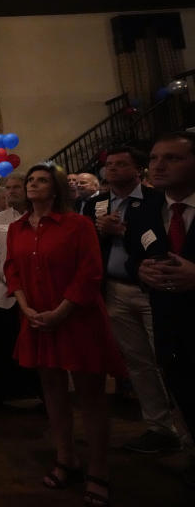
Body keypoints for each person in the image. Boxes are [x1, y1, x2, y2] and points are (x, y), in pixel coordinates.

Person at [5, 164, 124, 506]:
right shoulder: (16, 228)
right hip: (38, 319)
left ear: (56, 188)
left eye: (42, 180)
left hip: (76, 318)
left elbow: (90, 272)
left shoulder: (78, 224)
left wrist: (60, 312)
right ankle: (66, 456)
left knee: (91, 397)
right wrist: (26, 309)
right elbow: (12, 270)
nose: (34, 185)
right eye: (30, 180)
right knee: (53, 393)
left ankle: (99, 469)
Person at [88, 146, 180, 454]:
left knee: (170, 360)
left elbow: (160, 242)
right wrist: (101, 234)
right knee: (138, 363)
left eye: (120, 164)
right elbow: (88, 248)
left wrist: (121, 231)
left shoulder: (156, 200)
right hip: (114, 290)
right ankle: (159, 427)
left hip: (152, 289)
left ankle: (186, 429)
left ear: (137, 170)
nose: (112, 169)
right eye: (109, 165)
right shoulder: (96, 204)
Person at [127, 132, 195, 487]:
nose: (159, 165)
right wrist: (139, 270)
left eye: (173, 158)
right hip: (170, 323)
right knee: (184, 395)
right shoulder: (149, 209)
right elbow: (133, 255)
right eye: (154, 158)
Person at [0, 173, 37, 412]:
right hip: (4, 291)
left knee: (35, 346)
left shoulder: (37, 217)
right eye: (8, 188)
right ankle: (5, 394)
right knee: (3, 345)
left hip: (35, 292)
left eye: (17, 187)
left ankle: (39, 393)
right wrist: (7, 277)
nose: (11, 191)